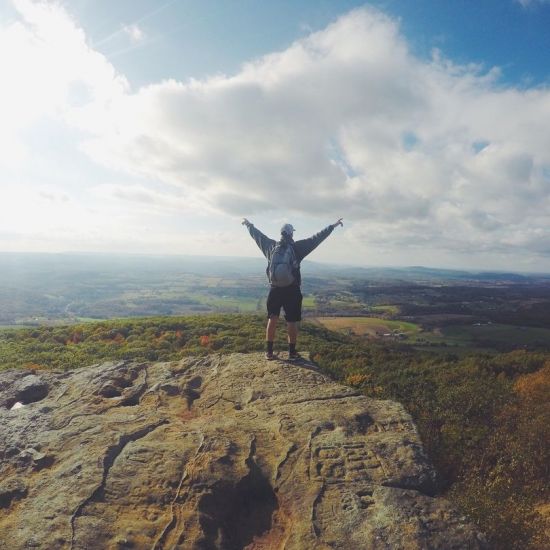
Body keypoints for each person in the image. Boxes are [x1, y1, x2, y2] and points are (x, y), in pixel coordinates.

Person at [242, 217, 343, 360]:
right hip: (292, 290)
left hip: (275, 289)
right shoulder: (297, 248)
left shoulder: (270, 247)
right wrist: (332, 226)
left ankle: (269, 352)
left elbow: (257, 236)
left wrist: (248, 225)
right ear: (291, 234)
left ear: (281, 233)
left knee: (272, 319)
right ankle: (292, 353)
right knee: (291, 321)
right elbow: (316, 239)